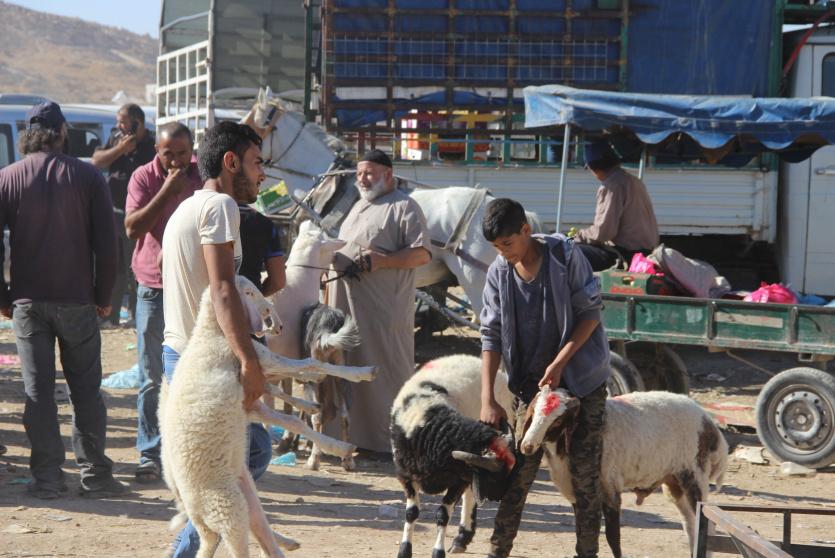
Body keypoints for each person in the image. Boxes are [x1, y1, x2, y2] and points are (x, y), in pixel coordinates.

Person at [0, 101, 125, 499]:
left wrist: (3, 297)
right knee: (85, 392)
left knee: (38, 394)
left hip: (27, 304)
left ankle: (48, 479)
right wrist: (104, 296)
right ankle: (96, 476)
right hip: (77, 301)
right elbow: (108, 248)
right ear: (61, 132)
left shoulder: (7, 178)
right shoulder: (88, 177)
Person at [161, 121, 271, 557]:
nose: (262, 174)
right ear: (231, 162)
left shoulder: (186, 208)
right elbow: (222, 289)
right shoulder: (221, 205)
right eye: (257, 163)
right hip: (200, 367)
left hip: (180, 357)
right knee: (249, 456)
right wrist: (249, 361)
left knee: (218, 470)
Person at [479, 198, 610, 558]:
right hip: (530, 388)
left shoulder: (565, 257)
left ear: (525, 230)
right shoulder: (499, 273)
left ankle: (587, 553)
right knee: (516, 477)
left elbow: (589, 315)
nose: (503, 253)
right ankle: (497, 552)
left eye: (508, 244)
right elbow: (490, 334)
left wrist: (560, 364)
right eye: (495, 248)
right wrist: (487, 398)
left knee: (584, 480)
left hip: (582, 381)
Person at [327, 149, 431, 453]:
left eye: (369, 173)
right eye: (359, 173)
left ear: (388, 174)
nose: (362, 178)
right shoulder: (359, 205)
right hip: (348, 305)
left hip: (384, 309)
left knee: (386, 370)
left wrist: (382, 260)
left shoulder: (405, 207)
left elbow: (422, 254)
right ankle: (355, 438)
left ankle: (394, 444)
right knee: (350, 366)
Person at [123, 122, 203, 483]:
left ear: (192, 151)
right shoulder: (143, 177)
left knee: (193, 374)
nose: (176, 161)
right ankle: (149, 453)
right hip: (153, 289)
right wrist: (168, 190)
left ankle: (189, 452)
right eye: (168, 154)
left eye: (183, 154)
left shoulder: (202, 177)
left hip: (191, 288)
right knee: (152, 376)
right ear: (157, 148)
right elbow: (133, 227)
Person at [92, 103, 156, 326]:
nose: (119, 125)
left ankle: (136, 315)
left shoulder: (152, 144)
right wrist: (120, 148)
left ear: (138, 123)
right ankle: (111, 315)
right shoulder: (116, 137)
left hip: (141, 216)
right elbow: (97, 161)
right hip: (115, 213)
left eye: (123, 121)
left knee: (136, 267)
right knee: (115, 265)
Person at [573, 140, 659, 271]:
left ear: (593, 167)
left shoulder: (612, 185)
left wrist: (578, 236)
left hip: (626, 254)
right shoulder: (633, 181)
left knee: (567, 252)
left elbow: (604, 232)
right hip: (647, 251)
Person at [238, 203, 286, 297]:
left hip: (207, 301)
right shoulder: (264, 223)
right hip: (249, 301)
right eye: (257, 186)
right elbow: (278, 282)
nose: (258, 190)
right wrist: (257, 297)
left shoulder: (207, 213)